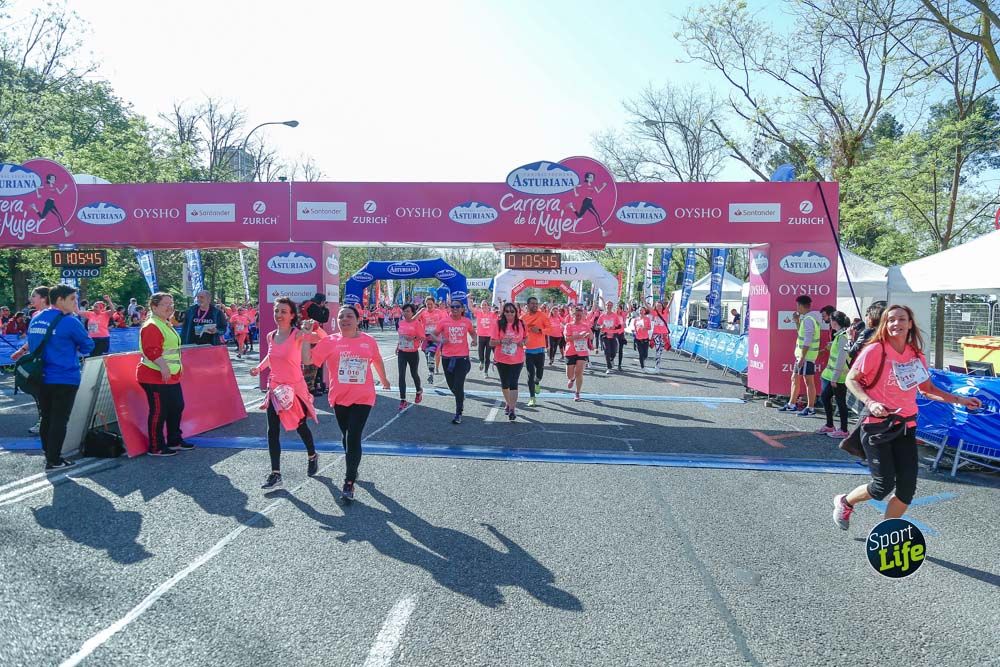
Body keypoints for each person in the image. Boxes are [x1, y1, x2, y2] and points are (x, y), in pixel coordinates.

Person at [833, 305, 982, 530]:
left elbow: (927, 389)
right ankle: (845, 502)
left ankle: (887, 533)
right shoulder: (875, 350)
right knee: (882, 486)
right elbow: (851, 380)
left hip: (906, 426)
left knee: (906, 489)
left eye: (902, 319)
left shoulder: (915, 355)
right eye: (891, 320)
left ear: (910, 323)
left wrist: (961, 400)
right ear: (885, 324)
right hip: (877, 427)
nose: (896, 323)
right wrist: (870, 402)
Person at [308, 305, 391, 501]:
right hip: (339, 397)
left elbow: (377, 360)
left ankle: (349, 481)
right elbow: (311, 360)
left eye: (349, 316)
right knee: (346, 436)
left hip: (363, 397)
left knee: (353, 436)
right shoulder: (330, 341)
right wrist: (304, 338)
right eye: (341, 317)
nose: (344, 319)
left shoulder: (368, 341)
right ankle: (353, 466)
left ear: (357, 320)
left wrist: (384, 380)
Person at [250, 297, 319, 490]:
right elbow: (271, 356)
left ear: (292, 315)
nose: (279, 315)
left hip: (294, 389)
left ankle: (312, 455)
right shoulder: (270, 336)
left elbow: (316, 340)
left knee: (300, 426)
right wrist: (259, 368)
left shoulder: (297, 334)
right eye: (276, 311)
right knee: (272, 430)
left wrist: (309, 332)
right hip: (275, 388)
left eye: (283, 311)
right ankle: (275, 473)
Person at [25, 285, 94, 469]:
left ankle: (48, 454)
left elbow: (32, 344)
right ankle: (54, 459)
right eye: (72, 299)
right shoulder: (70, 321)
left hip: (40, 376)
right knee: (59, 419)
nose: (75, 303)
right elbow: (88, 345)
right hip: (64, 376)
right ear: (60, 300)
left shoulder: (36, 318)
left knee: (46, 417)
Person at [137, 293, 193, 457]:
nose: (170, 307)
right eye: (165, 304)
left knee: (176, 406)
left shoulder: (164, 323)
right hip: (154, 375)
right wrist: (163, 367)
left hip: (169, 375)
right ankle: (156, 446)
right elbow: (151, 350)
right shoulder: (152, 325)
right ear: (154, 307)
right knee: (159, 411)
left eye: (171, 304)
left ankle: (174, 440)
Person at [10, 286, 53, 435]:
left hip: (50, 363)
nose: (30, 299)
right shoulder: (34, 315)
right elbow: (34, 337)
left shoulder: (56, 315)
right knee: (38, 393)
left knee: (47, 394)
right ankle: (43, 421)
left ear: (44, 298)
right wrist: (21, 351)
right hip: (35, 363)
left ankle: (47, 423)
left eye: (34, 296)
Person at [777, 295, 821, 416]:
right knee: (795, 378)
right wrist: (797, 322)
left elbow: (808, 340)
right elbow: (802, 335)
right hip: (803, 356)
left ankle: (810, 408)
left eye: (797, 305)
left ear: (801, 306)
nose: (796, 308)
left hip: (806, 357)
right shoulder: (808, 318)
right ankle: (792, 404)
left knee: (808, 381)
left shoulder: (808, 319)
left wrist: (802, 357)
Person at [434, 300, 477, 424]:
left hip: (462, 358)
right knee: (452, 386)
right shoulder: (443, 321)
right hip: (447, 358)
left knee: (458, 385)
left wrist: (475, 340)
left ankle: (458, 412)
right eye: (452, 307)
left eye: (457, 307)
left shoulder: (466, 321)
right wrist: (440, 340)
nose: (455, 309)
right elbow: (433, 334)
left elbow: (473, 333)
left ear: (462, 309)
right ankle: (460, 396)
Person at [818, 312, 852, 439]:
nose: (829, 322)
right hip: (832, 375)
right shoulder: (839, 336)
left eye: (831, 320)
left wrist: (835, 377)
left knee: (840, 402)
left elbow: (841, 359)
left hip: (838, 377)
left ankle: (844, 430)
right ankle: (830, 425)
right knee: (825, 397)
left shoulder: (843, 337)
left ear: (835, 322)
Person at [491, 302, 527, 422]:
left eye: (512, 311)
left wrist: (523, 342)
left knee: (513, 383)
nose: (509, 313)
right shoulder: (498, 324)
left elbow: (526, 338)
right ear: (503, 312)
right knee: (505, 384)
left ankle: (512, 409)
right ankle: (508, 402)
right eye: (507, 311)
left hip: (517, 359)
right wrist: (502, 341)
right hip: (501, 358)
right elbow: (491, 342)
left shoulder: (521, 323)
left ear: (516, 312)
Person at [521, 297, 550, 407]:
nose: (535, 305)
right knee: (530, 375)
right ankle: (532, 398)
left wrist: (540, 330)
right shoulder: (523, 318)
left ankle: (537, 382)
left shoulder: (542, 315)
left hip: (540, 350)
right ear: (527, 305)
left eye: (536, 303)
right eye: (532, 303)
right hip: (528, 351)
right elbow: (518, 331)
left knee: (539, 374)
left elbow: (550, 329)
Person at [300, 294, 331, 396]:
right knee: (312, 365)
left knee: (307, 365)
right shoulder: (314, 307)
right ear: (322, 301)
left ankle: (310, 386)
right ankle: (310, 388)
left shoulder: (305, 304)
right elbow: (323, 319)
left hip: (303, 335)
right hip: (312, 336)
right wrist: (326, 309)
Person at [395, 303, 424, 411]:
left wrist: (413, 338)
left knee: (414, 373)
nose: (406, 313)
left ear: (412, 313)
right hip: (402, 352)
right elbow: (400, 336)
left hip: (413, 352)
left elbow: (422, 337)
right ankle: (403, 400)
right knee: (401, 375)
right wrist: (397, 346)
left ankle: (418, 391)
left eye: (408, 311)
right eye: (404, 311)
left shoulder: (417, 323)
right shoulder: (401, 323)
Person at [563, 305, 593, 401]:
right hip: (570, 351)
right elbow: (567, 339)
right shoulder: (568, 326)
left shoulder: (585, 326)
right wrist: (579, 336)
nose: (578, 317)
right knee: (569, 375)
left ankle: (577, 392)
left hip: (582, 352)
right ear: (572, 315)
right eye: (576, 315)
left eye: (580, 315)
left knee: (579, 373)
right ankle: (572, 379)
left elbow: (591, 336)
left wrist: (588, 335)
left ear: (583, 315)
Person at [419, 296, 445, 384]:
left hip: (435, 337)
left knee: (431, 354)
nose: (429, 306)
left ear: (434, 304)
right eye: (427, 304)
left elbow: (444, 324)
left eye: (431, 304)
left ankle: (431, 373)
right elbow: (414, 320)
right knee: (428, 356)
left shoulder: (439, 312)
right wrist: (420, 312)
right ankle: (431, 370)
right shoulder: (423, 312)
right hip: (425, 337)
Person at [598, 301, 624, 374]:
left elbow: (619, 326)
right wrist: (601, 326)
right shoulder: (602, 315)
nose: (609, 306)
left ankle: (612, 359)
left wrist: (614, 327)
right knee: (607, 351)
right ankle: (608, 367)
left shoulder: (615, 315)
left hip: (613, 335)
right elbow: (597, 325)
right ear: (605, 306)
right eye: (607, 305)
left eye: (610, 305)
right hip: (605, 335)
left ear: (612, 306)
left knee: (614, 352)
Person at [473, 299, 496, 377]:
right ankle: (481, 361)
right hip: (481, 336)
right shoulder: (478, 313)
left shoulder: (492, 314)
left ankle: (486, 371)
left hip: (489, 337)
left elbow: (501, 312)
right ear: (481, 306)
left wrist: (501, 303)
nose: (484, 306)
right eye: (482, 305)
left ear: (488, 306)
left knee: (487, 355)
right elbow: (470, 308)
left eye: (485, 305)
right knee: (480, 351)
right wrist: (469, 299)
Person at [650, 301, 671, 373]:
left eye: (660, 305)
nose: (659, 307)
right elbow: (649, 308)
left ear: (662, 306)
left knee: (660, 350)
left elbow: (669, 305)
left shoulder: (665, 312)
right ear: (655, 307)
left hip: (664, 334)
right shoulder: (654, 313)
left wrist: (672, 297)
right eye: (657, 306)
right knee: (658, 349)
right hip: (656, 334)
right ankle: (656, 367)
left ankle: (657, 365)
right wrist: (643, 300)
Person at [633, 305, 652, 371]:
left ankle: (643, 360)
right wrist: (634, 334)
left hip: (645, 338)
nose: (641, 311)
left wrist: (645, 328)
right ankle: (642, 366)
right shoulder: (636, 319)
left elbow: (650, 327)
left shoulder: (647, 319)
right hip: (638, 338)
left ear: (645, 311)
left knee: (645, 354)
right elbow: (635, 328)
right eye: (640, 310)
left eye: (642, 310)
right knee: (640, 353)